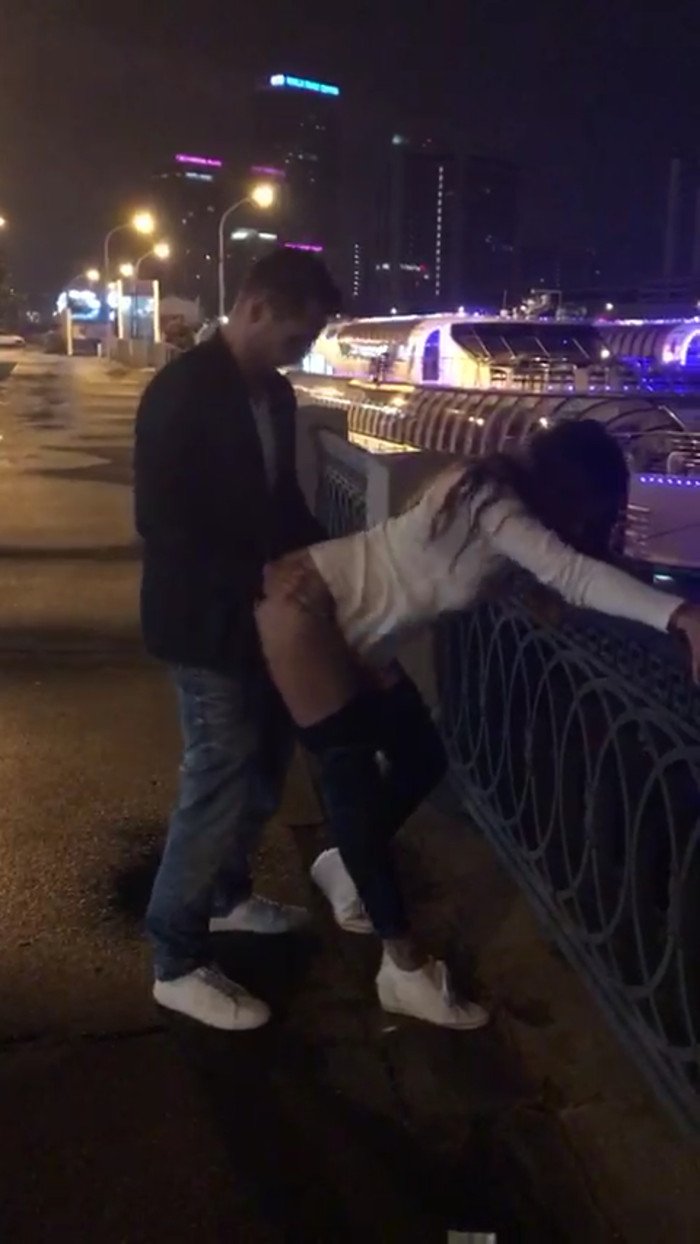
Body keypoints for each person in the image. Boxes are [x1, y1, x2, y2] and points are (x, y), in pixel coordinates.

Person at [256, 420, 700, 1029]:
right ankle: (402, 967)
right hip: (309, 611)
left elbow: (544, 568)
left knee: (421, 756)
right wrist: (679, 613)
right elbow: (572, 573)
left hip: (358, 636)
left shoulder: (499, 505)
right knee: (349, 779)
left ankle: (344, 863)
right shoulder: (489, 500)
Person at [134, 249, 342, 1030]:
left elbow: (280, 501)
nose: (303, 352)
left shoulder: (276, 395)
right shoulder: (181, 392)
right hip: (201, 622)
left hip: (261, 619)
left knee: (262, 767)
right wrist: (259, 573)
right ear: (254, 309)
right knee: (217, 776)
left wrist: (333, 559)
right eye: (297, 336)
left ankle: (223, 897)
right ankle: (175, 958)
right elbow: (163, 526)